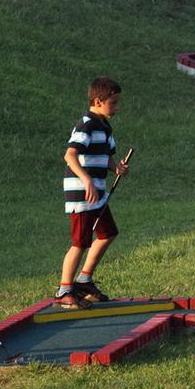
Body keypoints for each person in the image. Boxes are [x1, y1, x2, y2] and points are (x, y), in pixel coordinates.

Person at [54, 76, 130, 309]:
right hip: (82, 193)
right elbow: (70, 155)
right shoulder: (86, 124)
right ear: (98, 101)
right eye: (113, 103)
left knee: (107, 233)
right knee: (80, 242)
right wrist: (86, 179)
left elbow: (105, 155)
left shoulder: (105, 126)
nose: (116, 107)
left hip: (97, 192)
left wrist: (116, 166)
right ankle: (64, 290)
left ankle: (84, 280)